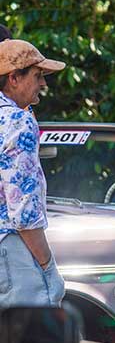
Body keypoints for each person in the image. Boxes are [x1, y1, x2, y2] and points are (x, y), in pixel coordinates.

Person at [0, 39, 66, 308]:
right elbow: (23, 210)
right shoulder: (18, 120)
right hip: (13, 250)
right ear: (14, 78)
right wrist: (47, 266)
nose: (44, 84)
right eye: (38, 76)